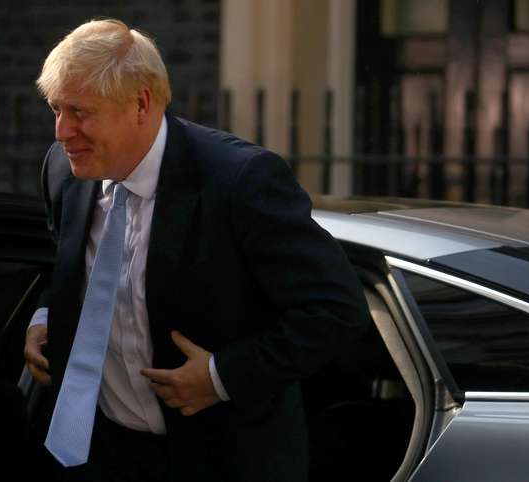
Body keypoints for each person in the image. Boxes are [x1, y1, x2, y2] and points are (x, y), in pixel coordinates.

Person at [24, 18, 370, 482]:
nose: (62, 131)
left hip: (222, 459)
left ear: (141, 103)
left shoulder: (240, 181)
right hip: (101, 454)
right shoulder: (65, 172)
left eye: (80, 112)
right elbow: (69, 265)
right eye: (56, 109)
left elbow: (336, 309)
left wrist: (222, 377)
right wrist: (48, 314)